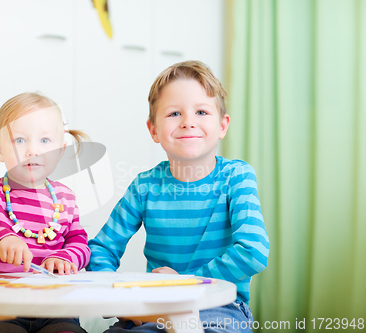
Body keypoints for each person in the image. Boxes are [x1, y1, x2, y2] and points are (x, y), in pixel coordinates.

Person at [87, 60, 269, 333]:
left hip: (221, 308)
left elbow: (253, 251)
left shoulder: (237, 176)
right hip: (156, 307)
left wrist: (184, 282)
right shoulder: (145, 186)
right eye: (174, 114)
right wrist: (115, 295)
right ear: (153, 130)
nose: (188, 123)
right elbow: (101, 248)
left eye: (201, 112)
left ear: (222, 125)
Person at [0, 92, 90, 333]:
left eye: (45, 141)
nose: (32, 150)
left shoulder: (66, 197)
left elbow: (80, 241)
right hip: (2, 309)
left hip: (57, 308)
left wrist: (66, 258)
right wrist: (3, 236)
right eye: (19, 140)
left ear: (60, 150)